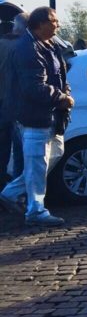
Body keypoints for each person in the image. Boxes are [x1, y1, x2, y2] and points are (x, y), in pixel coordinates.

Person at [0, 7, 75, 227]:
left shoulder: (48, 45)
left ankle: (10, 192)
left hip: (49, 115)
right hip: (33, 115)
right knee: (36, 162)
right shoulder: (27, 48)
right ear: (40, 23)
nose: (57, 25)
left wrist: (66, 92)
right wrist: (62, 98)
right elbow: (34, 87)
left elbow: (60, 74)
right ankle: (36, 210)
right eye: (54, 21)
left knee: (53, 154)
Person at [0, 13, 28, 187]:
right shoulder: (26, 47)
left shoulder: (3, 45)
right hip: (17, 103)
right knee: (20, 151)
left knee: (3, 149)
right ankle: (15, 190)